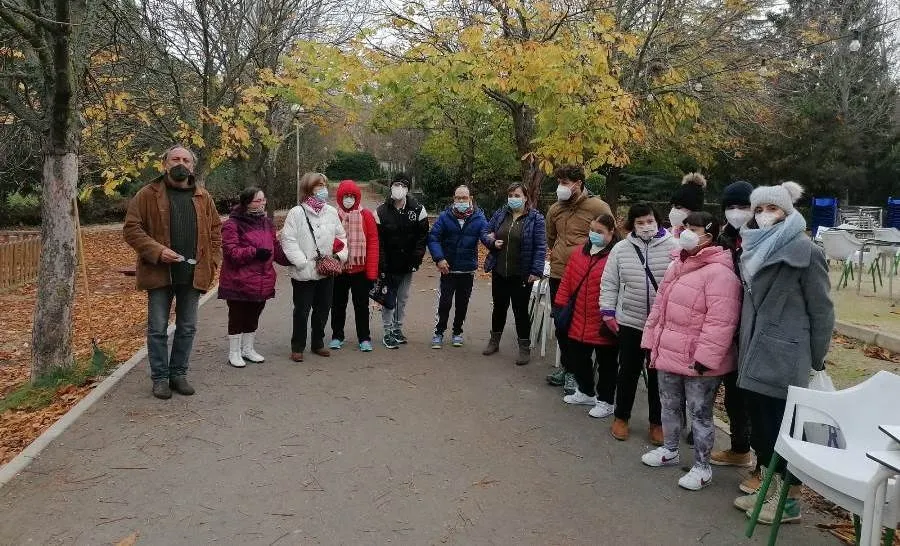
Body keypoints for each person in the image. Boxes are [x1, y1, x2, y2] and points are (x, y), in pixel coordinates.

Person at [733, 182, 834, 525]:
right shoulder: (750, 248)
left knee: (782, 429)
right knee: (761, 428)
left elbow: (822, 311)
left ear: (787, 212)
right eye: (758, 209)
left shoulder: (807, 252)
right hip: (753, 351)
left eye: (772, 209)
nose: (764, 216)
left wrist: (816, 359)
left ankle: (789, 500)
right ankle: (769, 491)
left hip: (786, 356)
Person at [639, 212, 742, 491]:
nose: (685, 233)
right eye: (685, 227)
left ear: (709, 236)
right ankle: (669, 450)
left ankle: (702, 466)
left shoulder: (720, 274)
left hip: (700, 363)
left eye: (693, 229)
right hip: (669, 352)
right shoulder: (677, 265)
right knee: (669, 405)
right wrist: (650, 343)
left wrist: (705, 359)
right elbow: (659, 309)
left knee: (700, 414)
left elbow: (721, 322)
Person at [123, 145, 222, 400]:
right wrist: (156, 251)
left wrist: (212, 263)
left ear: (192, 165)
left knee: (187, 327)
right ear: (164, 163)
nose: (181, 163)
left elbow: (215, 233)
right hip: (159, 273)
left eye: (186, 160)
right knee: (157, 328)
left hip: (192, 274)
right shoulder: (147, 194)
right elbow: (132, 229)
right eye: (175, 159)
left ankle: (178, 374)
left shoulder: (203, 196)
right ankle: (160, 378)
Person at [600, 203, 676, 444]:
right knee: (628, 372)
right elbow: (609, 281)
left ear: (658, 221)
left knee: (657, 377)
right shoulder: (621, 249)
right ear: (631, 224)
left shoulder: (673, 248)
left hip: (661, 324)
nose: (645, 226)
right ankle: (621, 417)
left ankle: (657, 422)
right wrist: (608, 312)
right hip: (630, 322)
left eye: (649, 221)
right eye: (640, 222)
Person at [545, 164, 613, 393]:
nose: (561, 187)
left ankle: (580, 373)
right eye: (559, 182)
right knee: (562, 325)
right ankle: (569, 368)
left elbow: (611, 238)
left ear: (578, 184)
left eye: (565, 182)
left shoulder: (598, 206)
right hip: (558, 273)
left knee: (582, 327)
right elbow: (551, 237)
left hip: (587, 276)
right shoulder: (555, 209)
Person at [553, 214, 620, 418]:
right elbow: (567, 281)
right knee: (579, 358)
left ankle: (606, 401)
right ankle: (586, 391)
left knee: (607, 364)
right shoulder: (579, 253)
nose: (594, 235)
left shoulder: (616, 256)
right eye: (592, 230)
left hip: (603, 320)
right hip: (578, 318)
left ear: (611, 233)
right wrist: (560, 305)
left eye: (600, 232)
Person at [710, 181, 756, 473]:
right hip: (727, 326)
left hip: (754, 329)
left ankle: (761, 467)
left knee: (755, 400)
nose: (737, 213)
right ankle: (739, 448)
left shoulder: (761, 238)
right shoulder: (723, 239)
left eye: (743, 206)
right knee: (733, 394)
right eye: (731, 207)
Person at [280, 172, 348, 362]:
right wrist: (301, 262)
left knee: (323, 308)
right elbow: (288, 240)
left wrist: (338, 256)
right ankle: (298, 345)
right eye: (319, 186)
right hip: (304, 271)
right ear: (309, 188)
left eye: (324, 185)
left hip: (326, 270)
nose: (323, 189)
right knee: (302, 310)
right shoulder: (296, 213)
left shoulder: (331, 212)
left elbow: (341, 237)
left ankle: (318, 342)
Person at [482, 183, 547, 365]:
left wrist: (536, 270)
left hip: (522, 274)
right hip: (500, 270)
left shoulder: (536, 219)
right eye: (510, 195)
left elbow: (540, 247)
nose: (513, 198)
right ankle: (494, 341)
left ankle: (524, 348)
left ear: (526, 197)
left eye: (517, 195)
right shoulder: (501, 213)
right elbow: (485, 232)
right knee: (499, 308)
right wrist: (491, 242)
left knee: (520, 311)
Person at [219, 186, 283, 368]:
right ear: (246, 202)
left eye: (263, 200)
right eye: (257, 200)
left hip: (263, 280)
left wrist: (296, 260)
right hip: (238, 281)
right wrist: (254, 252)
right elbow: (231, 252)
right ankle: (234, 352)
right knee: (238, 316)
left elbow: (275, 247)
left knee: (253, 315)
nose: (262, 204)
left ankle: (248, 349)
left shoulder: (267, 223)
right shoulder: (232, 224)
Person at [427, 185, 491, 348]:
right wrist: (439, 258)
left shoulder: (479, 217)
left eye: (464, 198)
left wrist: (493, 241)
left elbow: (485, 236)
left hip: (467, 269)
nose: (461, 201)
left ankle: (457, 332)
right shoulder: (445, 216)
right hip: (448, 268)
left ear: (470, 199)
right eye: (458, 198)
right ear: (454, 199)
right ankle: (438, 332)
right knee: (445, 303)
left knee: (462, 304)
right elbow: (433, 238)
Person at [375, 173, 429, 350]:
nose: (399, 187)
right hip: (389, 264)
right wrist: (381, 263)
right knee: (388, 298)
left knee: (402, 297)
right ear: (391, 187)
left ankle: (398, 328)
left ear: (407, 189)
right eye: (396, 184)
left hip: (408, 264)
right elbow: (379, 241)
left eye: (402, 185)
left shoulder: (418, 210)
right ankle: (387, 331)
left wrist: (416, 259)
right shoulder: (381, 211)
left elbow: (422, 238)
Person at [329, 180, 380, 352]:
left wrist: (372, 272)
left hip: (360, 269)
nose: (348, 199)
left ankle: (364, 338)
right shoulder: (333, 215)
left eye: (352, 196)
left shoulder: (366, 215)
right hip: (339, 269)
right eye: (345, 196)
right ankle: (337, 336)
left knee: (361, 305)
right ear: (340, 197)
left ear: (357, 198)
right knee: (337, 304)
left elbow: (373, 242)